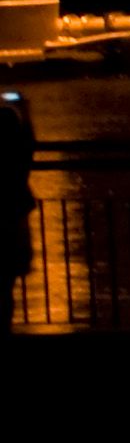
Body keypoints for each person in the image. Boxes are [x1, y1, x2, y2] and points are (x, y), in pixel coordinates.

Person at [0, 92, 31, 331]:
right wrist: (25, 112)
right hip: (14, 223)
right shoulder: (17, 164)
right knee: (7, 286)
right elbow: (29, 143)